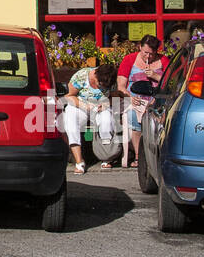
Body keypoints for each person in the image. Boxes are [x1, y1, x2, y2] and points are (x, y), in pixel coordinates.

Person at [61, 62, 119, 174]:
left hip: (100, 107)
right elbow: (69, 96)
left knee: (106, 119)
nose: (101, 87)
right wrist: (85, 106)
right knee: (70, 119)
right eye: (100, 84)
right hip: (81, 105)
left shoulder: (110, 80)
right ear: (96, 75)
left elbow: (115, 96)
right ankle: (79, 161)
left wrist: (106, 104)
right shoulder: (82, 76)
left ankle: (106, 156)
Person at [116, 35, 163, 168]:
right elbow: (121, 86)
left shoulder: (163, 60)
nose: (148, 57)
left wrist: (154, 76)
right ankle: (139, 156)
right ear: (140, 47)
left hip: (156, 100)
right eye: (145, 53)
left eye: (152, 54)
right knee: (133, 115)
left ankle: (156, 154)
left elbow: (170, 82)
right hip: (135, 99)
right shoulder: (129, 60)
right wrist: (130, 97)